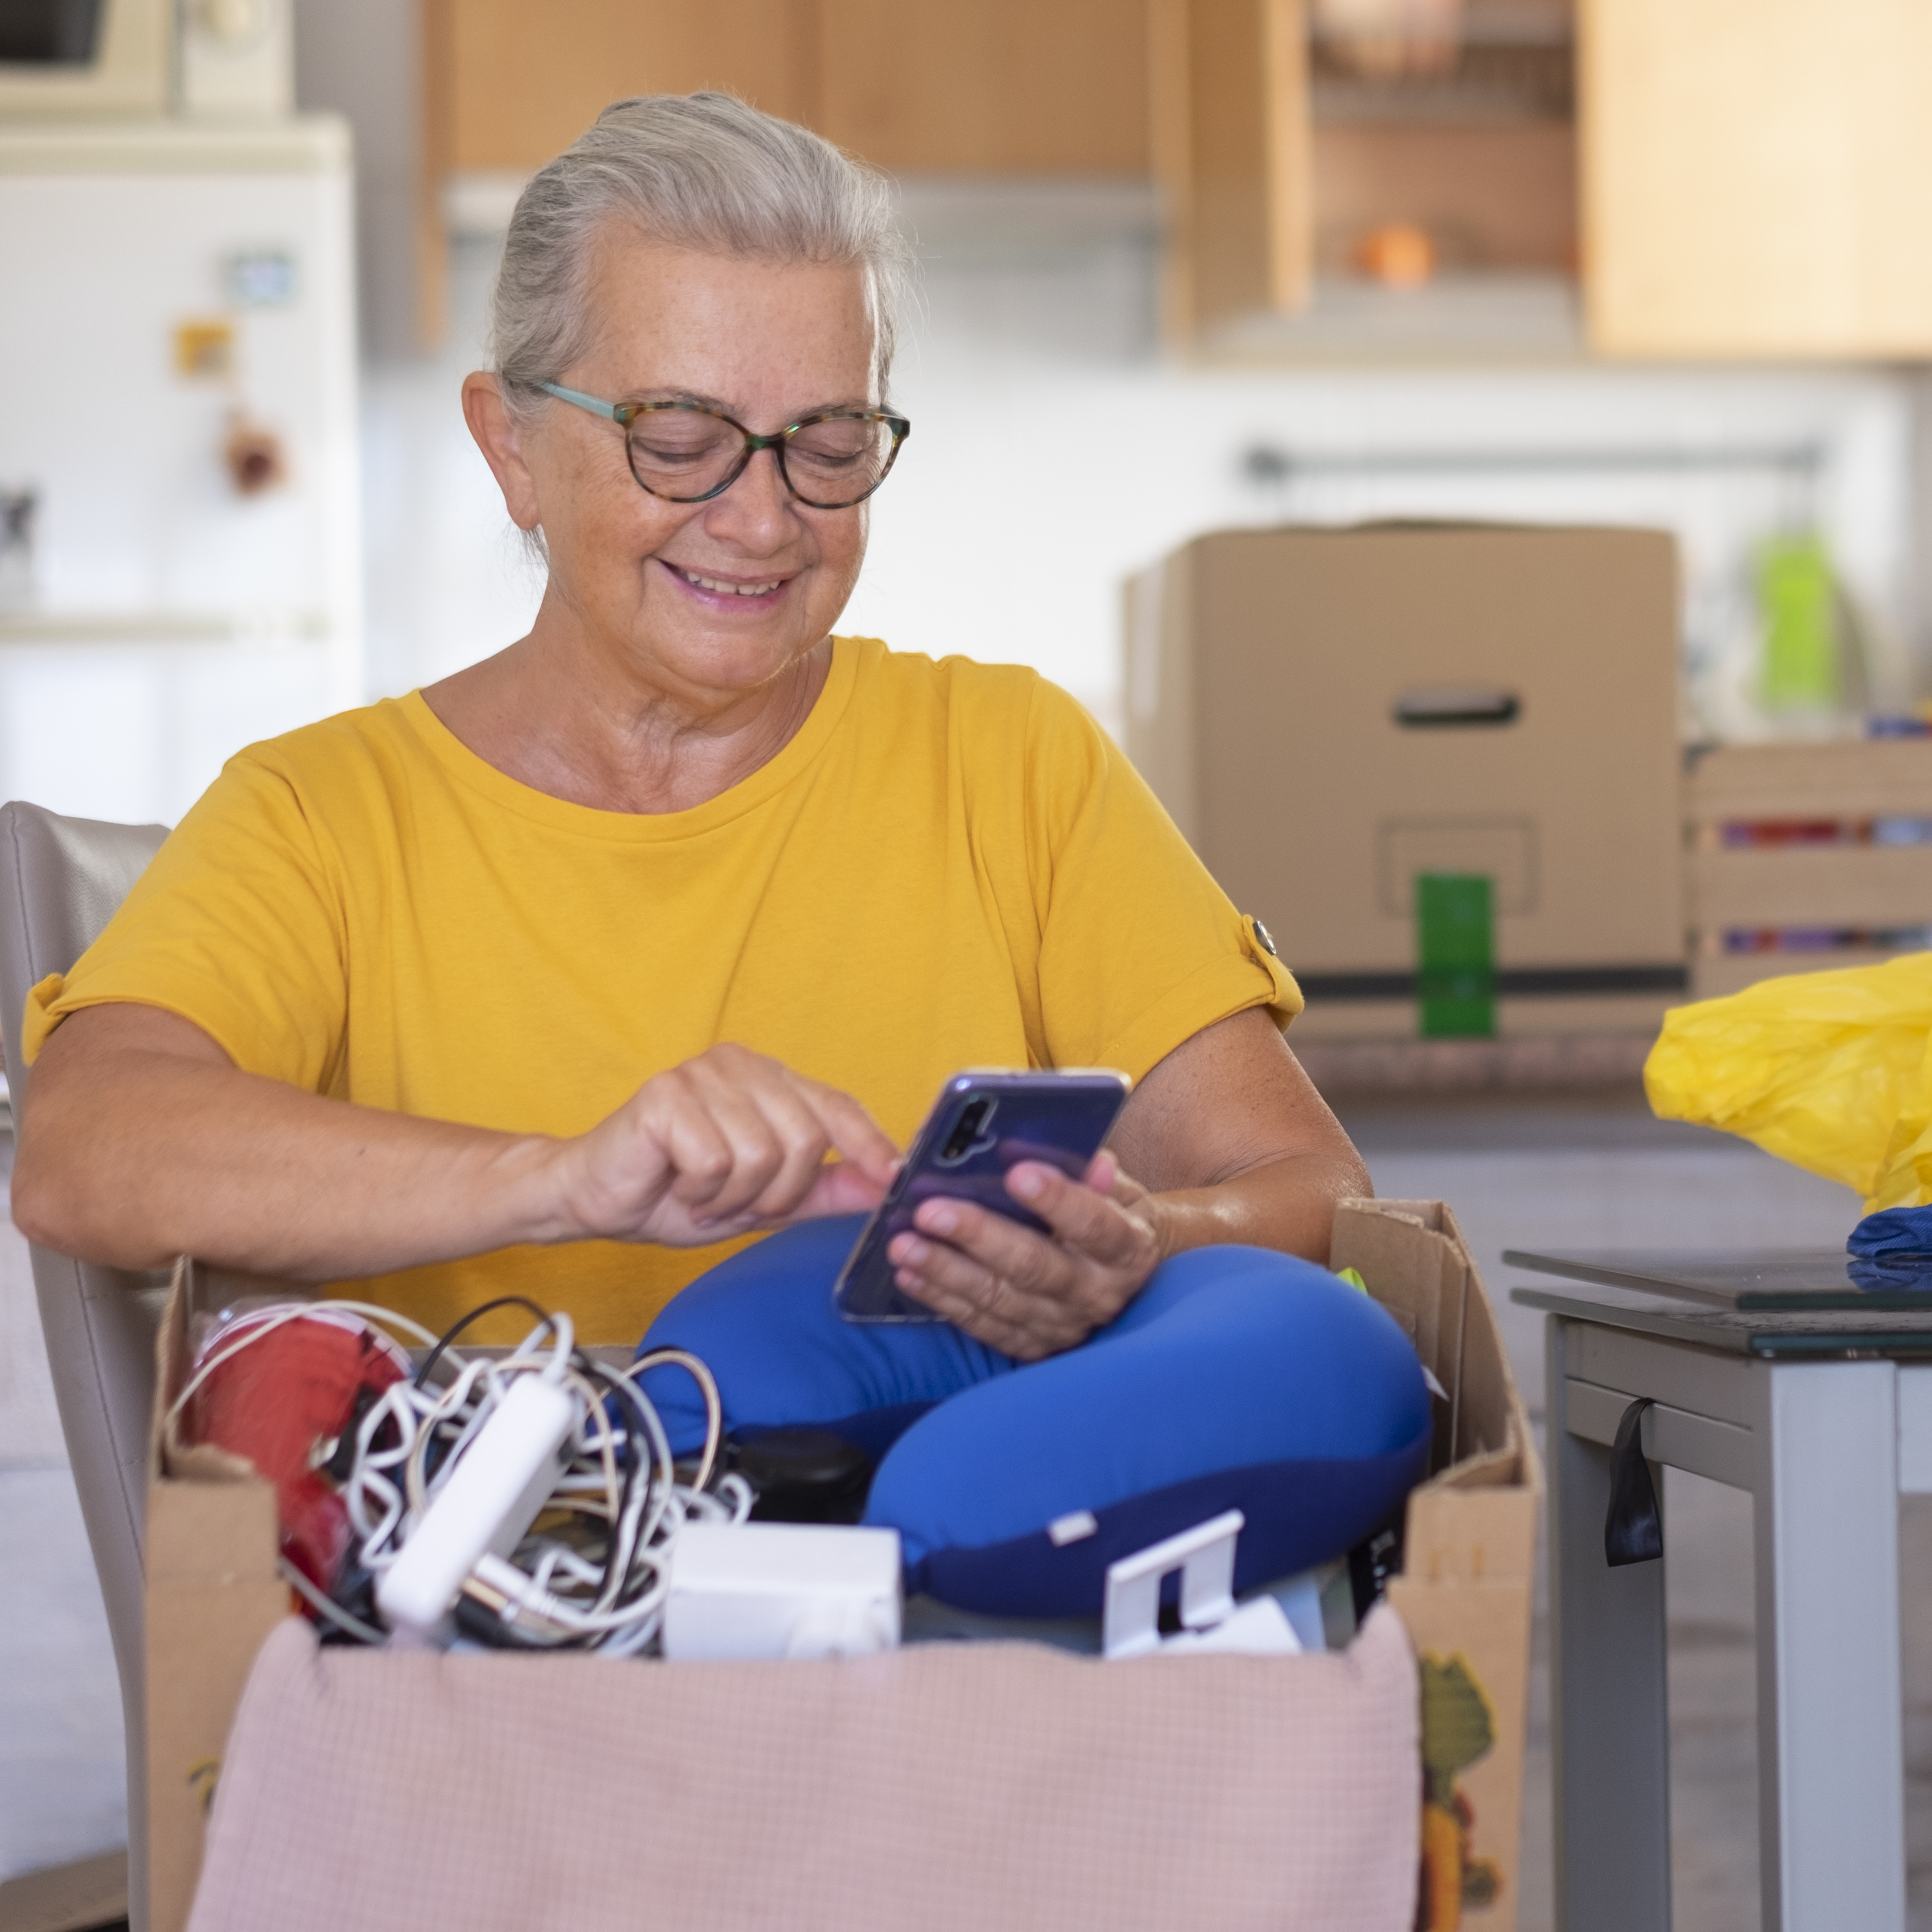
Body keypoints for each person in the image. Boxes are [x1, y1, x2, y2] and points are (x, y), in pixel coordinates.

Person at [11, 93, 1370, 1362]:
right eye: (678, 436)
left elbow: (1310, 1187)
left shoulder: (1012, 760)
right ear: (510, 447)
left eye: (826, 443)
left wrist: (1147, 1242)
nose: (763, 515)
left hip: (975, 1587)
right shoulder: (319, 816)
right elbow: (80, 1150)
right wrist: (561, 1177)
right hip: (518, 1598)